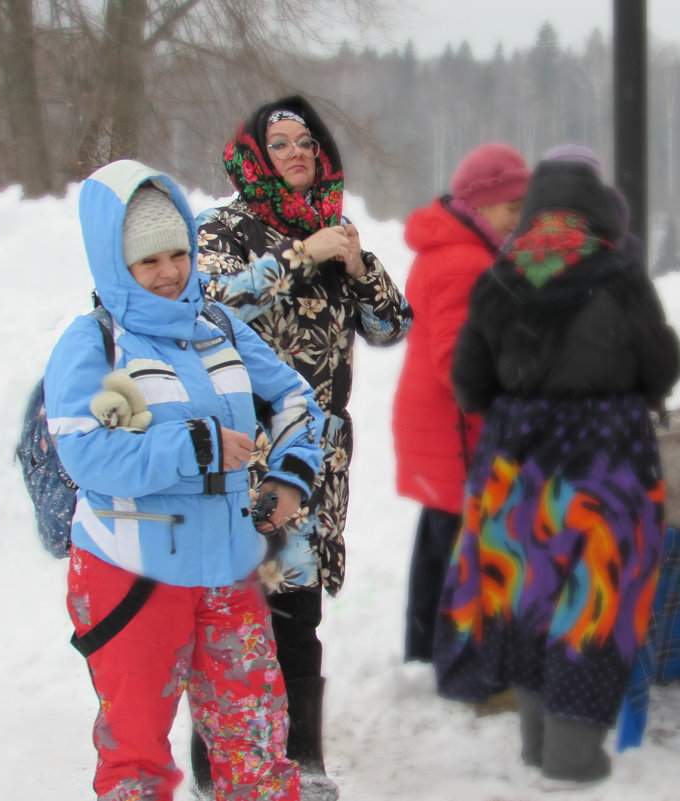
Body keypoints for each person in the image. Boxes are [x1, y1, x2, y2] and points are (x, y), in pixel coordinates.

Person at [45, 159, 327, 801]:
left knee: (255, 743)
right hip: (132, 573)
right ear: (114, 264)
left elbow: (295, 401)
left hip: (227, 567)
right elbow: (83, 453)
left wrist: (288, 475)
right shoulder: (94, 343)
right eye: (148, 262)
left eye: (179, 253)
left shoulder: (219, 329)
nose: (171, 273)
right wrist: (195, 445)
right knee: (137, 754)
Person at [433, 154, 680, 788]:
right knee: (593, 601)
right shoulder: (622, 274)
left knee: (529, 592)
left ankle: (539, 745)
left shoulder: (500, 276)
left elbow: (467, 382)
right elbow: (661, 368)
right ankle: (573, 757)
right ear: (597, 210)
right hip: (608, 465)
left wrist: (523, 403)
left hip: (517, 465)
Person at [196, 95, 412, 798]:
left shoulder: (335, 227)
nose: (295, 153)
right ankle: (216, 764)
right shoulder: (225, 228)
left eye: (305, 142)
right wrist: (296, 256)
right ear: (256, 156)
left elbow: (391, 324)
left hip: (319, 457)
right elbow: (206, 309)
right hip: (247, 453)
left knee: (298, 612)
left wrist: (358, 269)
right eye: (280, 142)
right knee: (233, 610)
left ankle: (302, 761)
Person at [393, 142, 530, 663]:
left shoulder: (460, 249)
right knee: (458, 545)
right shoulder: (464, 261)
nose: (519, 216)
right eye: (510, 204)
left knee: (440, 535)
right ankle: (454, 660)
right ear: (481, 203)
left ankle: (425, 652)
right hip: (452, 426)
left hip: (438, 421)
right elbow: (456, 359)